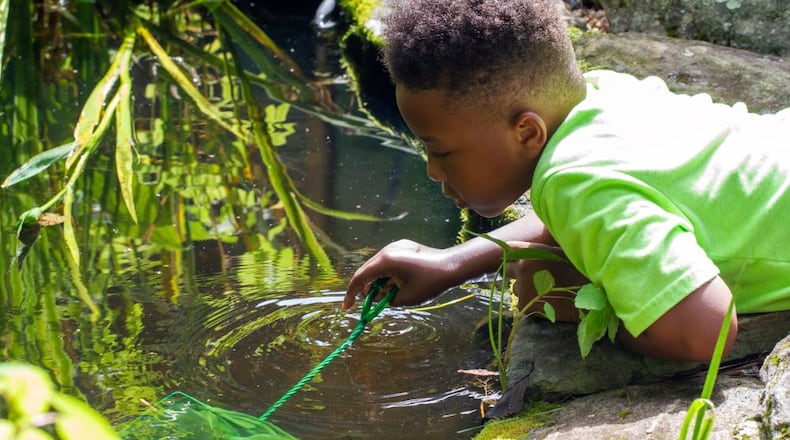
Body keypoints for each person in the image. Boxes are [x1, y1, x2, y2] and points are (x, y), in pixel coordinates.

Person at [342, 0, 790, 362]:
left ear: (527, 133)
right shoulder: (603, 95)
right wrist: (452, 263)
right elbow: (579, 212)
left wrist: (572, 299)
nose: (431, 169)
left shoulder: (573, 181)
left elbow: (704, 333)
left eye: (440, 150)